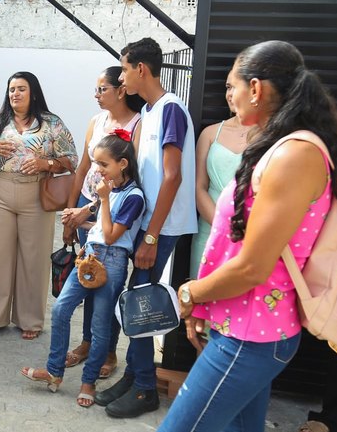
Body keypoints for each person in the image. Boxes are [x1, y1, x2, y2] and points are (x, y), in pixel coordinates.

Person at [158, 40, 337, 432]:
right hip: (244, 329)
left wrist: (192, 293)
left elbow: (252, 267)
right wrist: (209, 306)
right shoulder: (279, 147)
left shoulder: (295, 154)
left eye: (233, 86)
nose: (230, 96)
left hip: (250, 337)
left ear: (256, 89)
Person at [96, 37, 197, 418]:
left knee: (140, 304)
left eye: (123, 69)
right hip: (147, 221)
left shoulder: (171, 109)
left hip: (161, 226)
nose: (121, 78)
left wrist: (152, 236)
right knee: (134, 301)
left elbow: (172, 177)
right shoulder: (152, 112)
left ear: (141, 68)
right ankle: (136, 376)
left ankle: (144, 390)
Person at [22, 132, 144, 408]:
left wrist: (100, 201)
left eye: (103, 164)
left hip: (112, 262)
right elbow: (101, 229)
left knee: (100, 327)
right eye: (96, 164)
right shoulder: (109, 192)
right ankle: (54, 372)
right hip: (90, 256)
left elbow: (113, 236)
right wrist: (79, 222)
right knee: (60, 309)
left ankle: (88, 382)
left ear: (122, 164)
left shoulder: (133, 196)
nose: (98, 170)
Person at [0, 71, 78, 341]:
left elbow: (72, 159)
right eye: (11, 89)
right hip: (0, 190)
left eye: (21, 89)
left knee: (34, 257)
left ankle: (30, 319)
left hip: (36, 193)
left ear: (33, 93)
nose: (14, 94)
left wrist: (46, 164)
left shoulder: (51, 123)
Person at [60, 65, 145, 379]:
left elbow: (130, 177)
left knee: (109, 282)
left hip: (112, 205)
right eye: (95, 90)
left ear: (120, 90)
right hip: (87, 201)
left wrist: (94, 207)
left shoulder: (137, 124)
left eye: (102, 89)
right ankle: (86, 343)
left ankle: (107, 349)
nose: (96, 95)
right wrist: (72, 212)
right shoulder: (95, 121)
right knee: (87, 272)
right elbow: (82, 170)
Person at [189, 73, 252, 279]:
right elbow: (199, 187)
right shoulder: (210, 133)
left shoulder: (271, 136)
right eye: (227, 87)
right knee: (199, 300)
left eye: (235, 87)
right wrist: (223, 227)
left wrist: (242, 232)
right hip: (209, 231)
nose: (229, 94)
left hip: (249, 234)